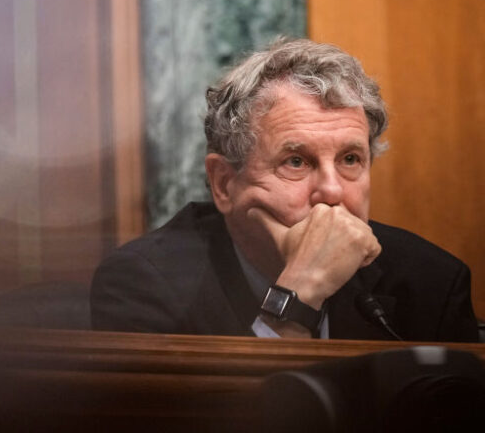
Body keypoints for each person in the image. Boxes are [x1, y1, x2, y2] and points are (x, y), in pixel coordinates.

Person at [91, 39, 479, 341]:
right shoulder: (144, 284)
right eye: (296, 162)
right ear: (224, 184)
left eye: (350, 160)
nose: (332, 191)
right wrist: (299, 293)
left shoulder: (431, 283)